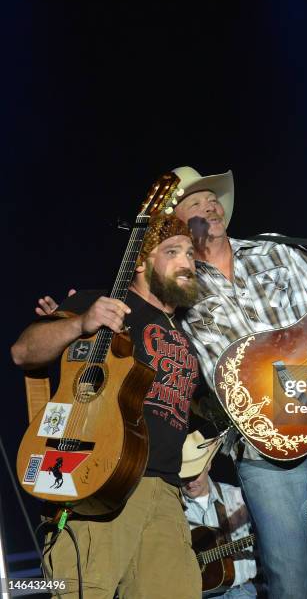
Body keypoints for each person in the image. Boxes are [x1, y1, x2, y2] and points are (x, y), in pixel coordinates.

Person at [34, 166, 307, 598]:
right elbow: (142, 326)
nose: (210, 206)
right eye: (195, 202)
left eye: (212, 199)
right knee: (286, 582)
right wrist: (72, 316)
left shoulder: (278, 253)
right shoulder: (177, 289)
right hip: (260, 450)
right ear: (176, 223)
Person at [12, 213, 203, 599]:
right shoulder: (100, 304)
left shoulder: (188, 335)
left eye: (190, 253)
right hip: (97, 478)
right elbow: (23, 352)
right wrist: (81, 321)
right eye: (173, 252)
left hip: (166, 492)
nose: (187, 262)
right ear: (140, 262)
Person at [181, 432, 257, 599]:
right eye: (185, 476)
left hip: (242, 592)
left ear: (208, 465)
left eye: (195, 474)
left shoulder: (237, 497)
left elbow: (270, 524)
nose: (191, 482)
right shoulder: (174, 508)